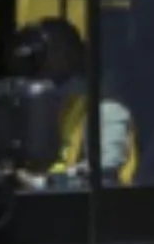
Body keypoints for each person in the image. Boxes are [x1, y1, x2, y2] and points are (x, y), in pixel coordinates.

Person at [7, 18, 137, 189]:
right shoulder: (48, 109)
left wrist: (41, 183)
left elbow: (105, 176)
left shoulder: (107, 109)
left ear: (73, 53)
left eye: (48, 51)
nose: (36, 61)